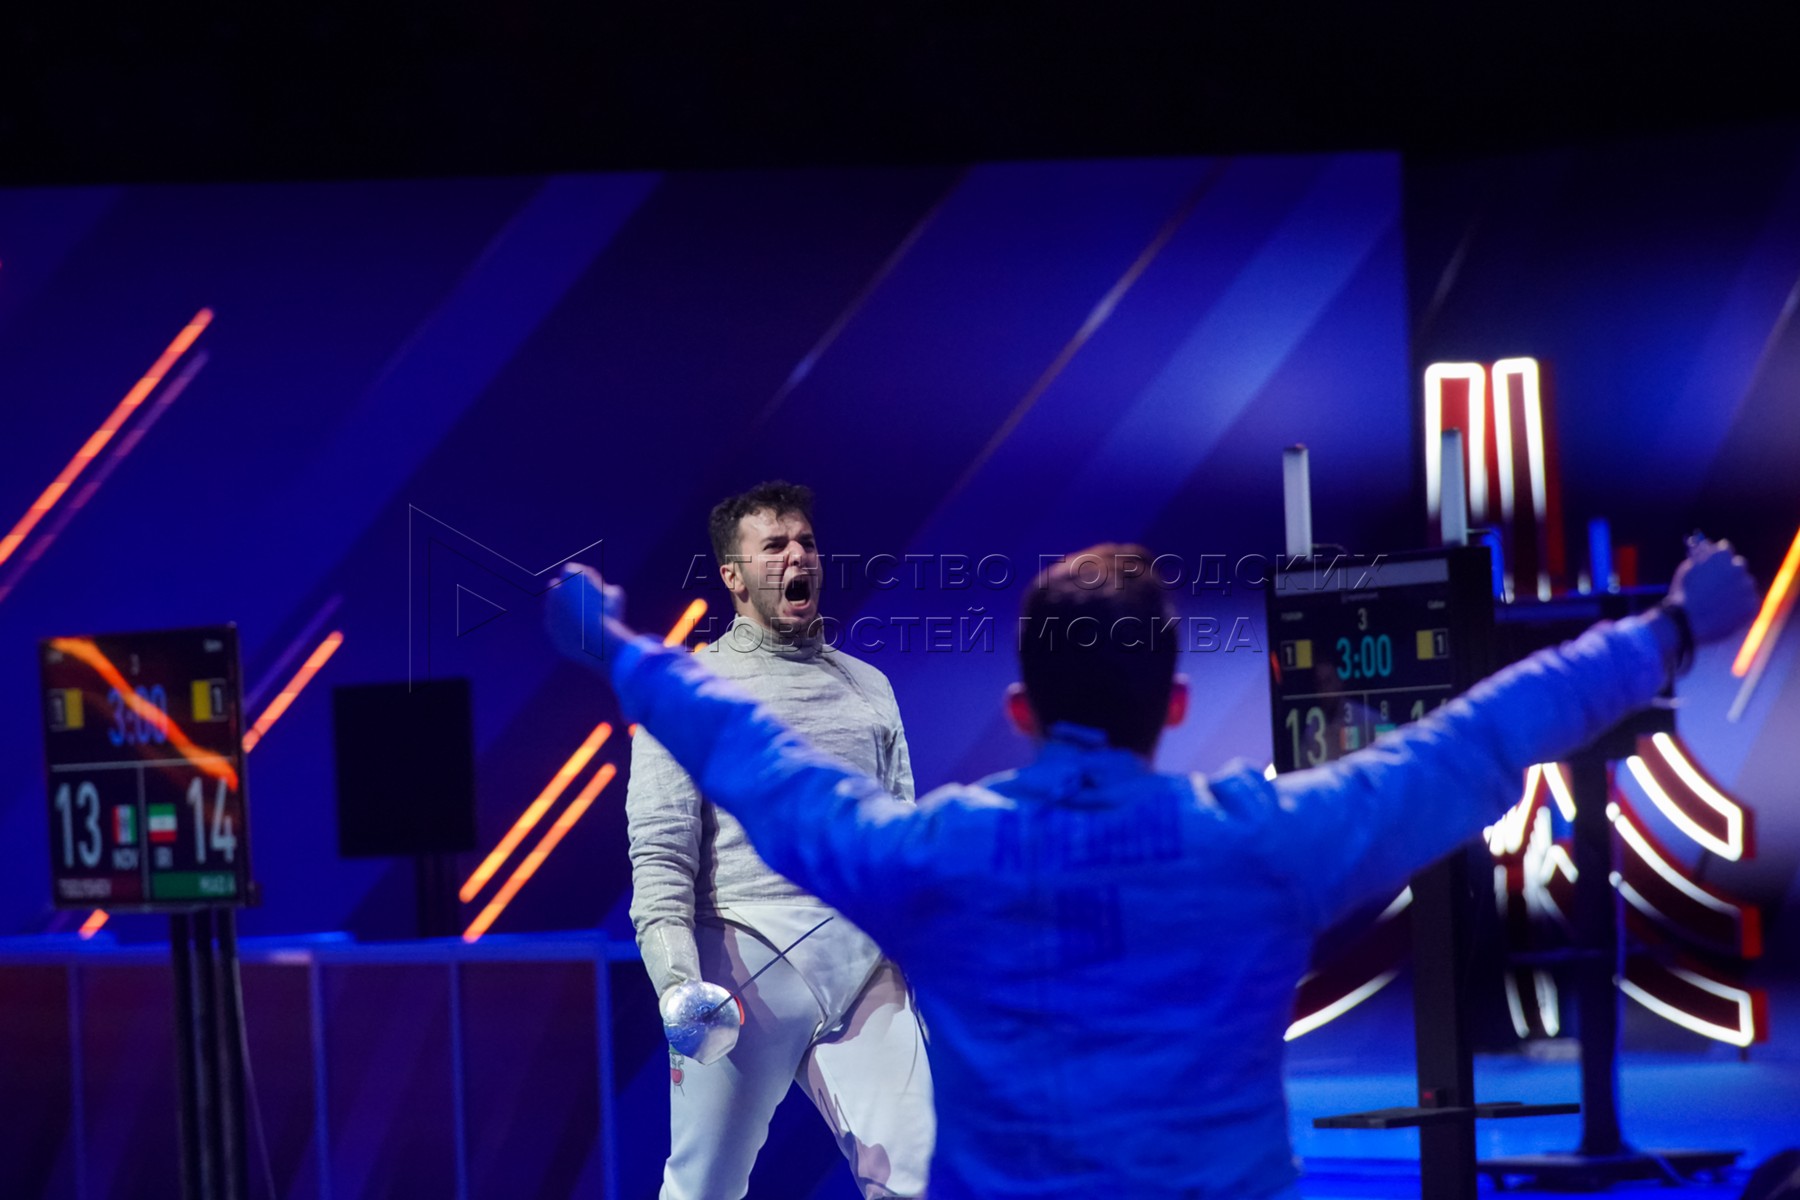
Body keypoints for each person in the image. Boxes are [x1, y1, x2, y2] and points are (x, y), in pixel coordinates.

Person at [552, 535, 1758, 1199]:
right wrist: (1667, 628)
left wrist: (615, 647)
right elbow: (1474, 741)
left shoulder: (932, 856)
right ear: (1176, 704)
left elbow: (757, 759)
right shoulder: (1261, 843)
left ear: (1021, 711)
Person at [620, 481, 933, 1200]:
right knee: (702, 1189)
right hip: (741, 970)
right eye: (774, 546)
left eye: (806, 543)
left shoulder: (869, 687)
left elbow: (901, 840)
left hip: (863, 966)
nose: (798, 556)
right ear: (733, 576)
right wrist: (678, 983)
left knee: (918, 1181)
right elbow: (661, 852)